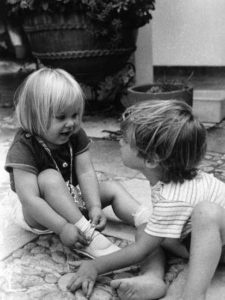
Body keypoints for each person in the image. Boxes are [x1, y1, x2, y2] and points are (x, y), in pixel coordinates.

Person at [67, 99, 225, 300]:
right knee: (147, 224)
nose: (120, 141)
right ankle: (152, 278)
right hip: (200, 241)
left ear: (151, 160)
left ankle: (193, 295)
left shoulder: (173, 198)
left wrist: (95, 266)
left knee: (206, 212)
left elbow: (141, 250)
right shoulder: (168, 183)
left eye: (126, 138)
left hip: (217, 241)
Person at [4, 67, 150, 259]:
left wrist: (95, 206)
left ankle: (147, 219)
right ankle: (86, 234)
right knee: (49, 177)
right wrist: (63, 227)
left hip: (71, 196)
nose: (71, 123)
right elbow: (30, 200)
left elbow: (85, 172)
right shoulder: (24, 147)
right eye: (61, 117)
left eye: (74, 115)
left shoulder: (75, 134)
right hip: (40, 214)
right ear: (35, 116)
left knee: (112, 188)